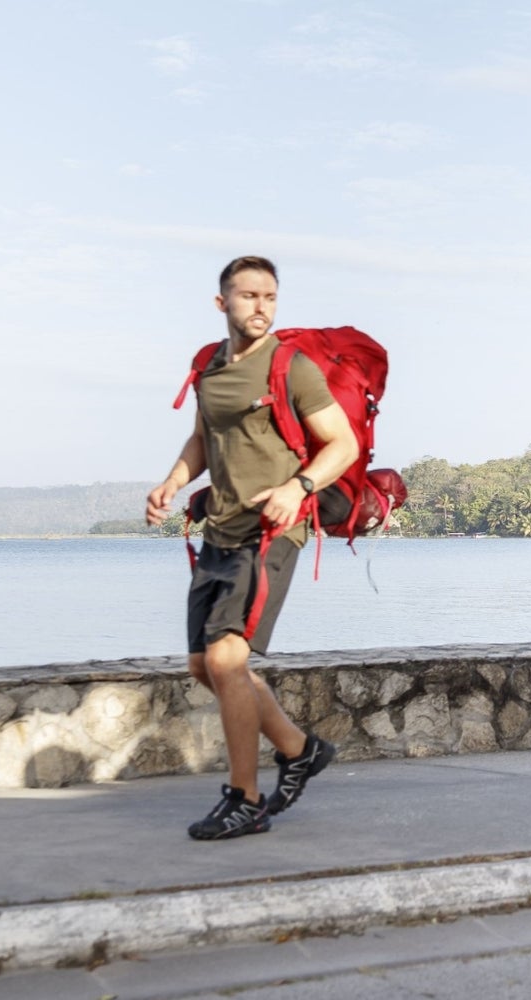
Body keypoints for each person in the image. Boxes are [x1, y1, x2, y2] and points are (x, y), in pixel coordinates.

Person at [143, 256, 354, 840]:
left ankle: (245, 798)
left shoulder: (292, 367)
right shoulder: (209, 366)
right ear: (222, 304)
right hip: (221, 529)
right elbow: (203, 439)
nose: (260, 306)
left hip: (272, 531)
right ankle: (298, 749)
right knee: (201, 666)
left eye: (270, 296)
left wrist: (298, 485)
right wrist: (172, 481)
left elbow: (344, 443)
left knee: (226, 661)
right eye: (248, 296)